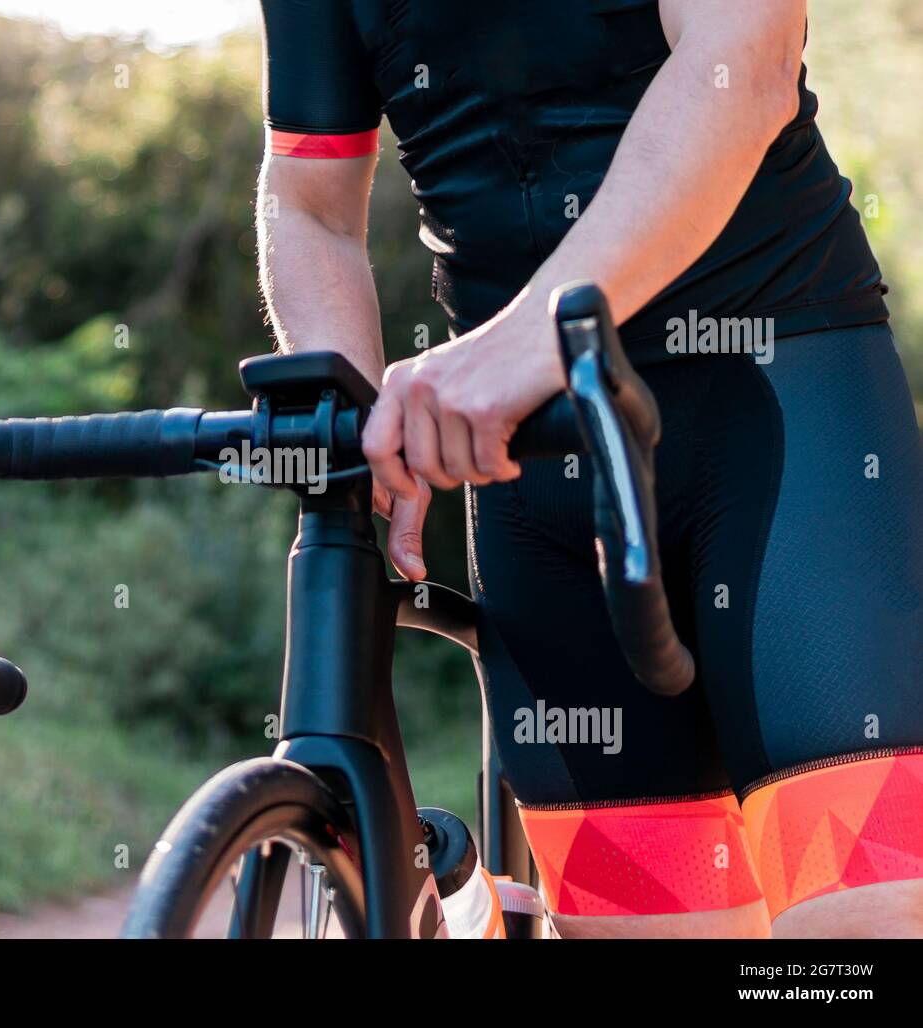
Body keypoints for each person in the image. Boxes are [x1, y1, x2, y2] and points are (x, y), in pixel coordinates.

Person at [255, 0, 923, 938]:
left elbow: (747, 62)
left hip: (782, 400)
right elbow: (309, 202)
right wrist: (354, 430)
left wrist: (522, 346)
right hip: (531, 469)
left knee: (861, 940)